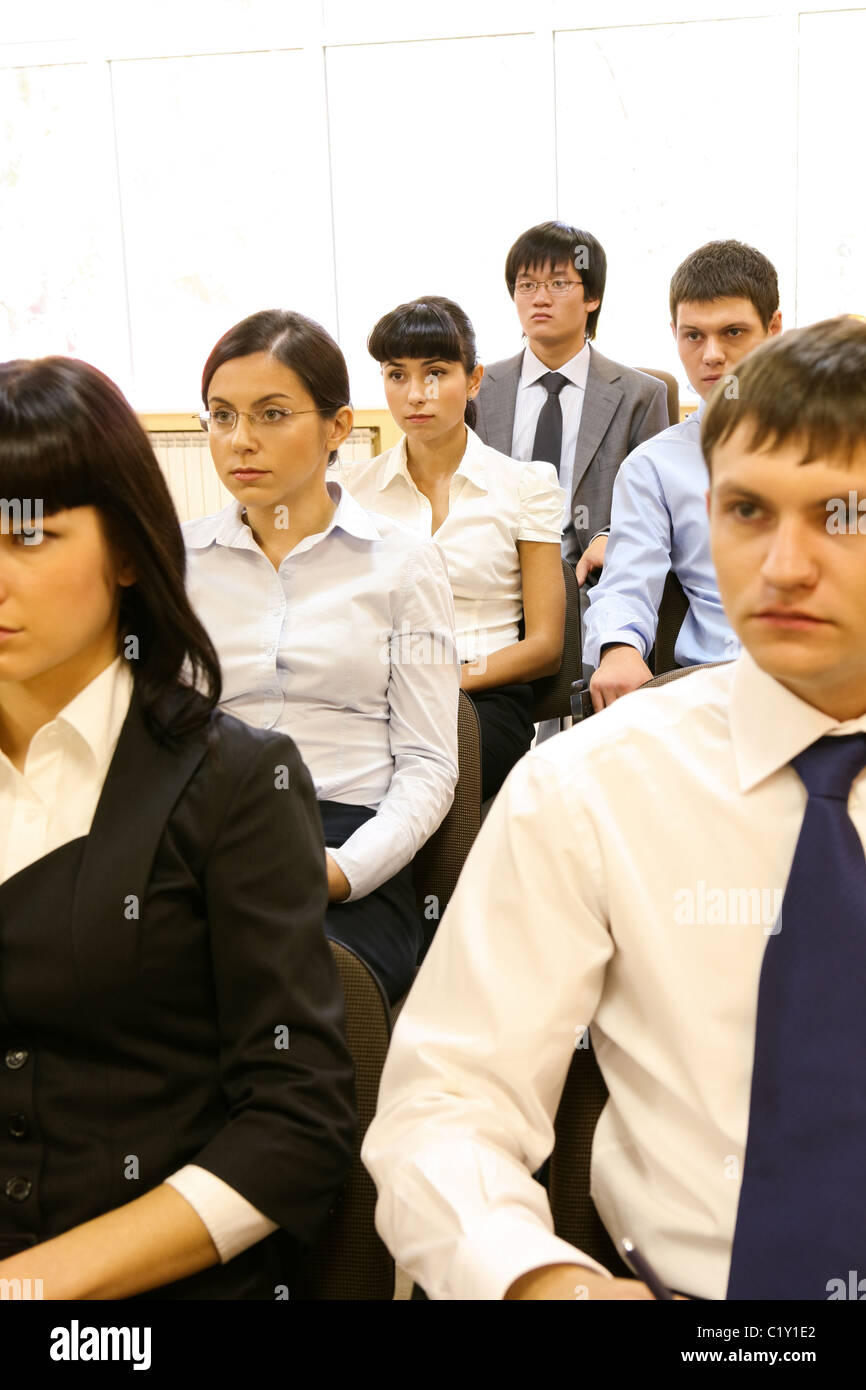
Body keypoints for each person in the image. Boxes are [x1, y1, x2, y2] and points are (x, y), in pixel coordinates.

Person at [362, 316, 866, 1301]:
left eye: (841, 515)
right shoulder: (588, 789)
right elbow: (446, 1104)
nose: (783, 565)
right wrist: (542, 1282)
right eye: (747, 511)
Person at [0, 356, 355, 1300]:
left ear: (126, 551)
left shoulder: (235, 780)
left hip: (140, 1286)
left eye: (28, 535)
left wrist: (35, 1288)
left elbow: (296, 1121)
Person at [183, 310, 459, 1004]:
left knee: (290, 976)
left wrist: (340, 871)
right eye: (221, 416)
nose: (240, 440)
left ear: (338, 427)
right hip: (207, 836)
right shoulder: (177, 561)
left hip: (342, 832)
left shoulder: (403, 565)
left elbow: (428, 763)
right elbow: (160, 738)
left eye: (271, 414)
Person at [333, 295, 565, 801]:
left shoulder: (526, 485)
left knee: (420, 773)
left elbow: (545, 647)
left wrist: (449, 679)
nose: (416, 394)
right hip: (377, 690)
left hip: (481, 696)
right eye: (397, 375)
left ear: (474, 379)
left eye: (435, 372)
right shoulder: (352, 489)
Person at [585, 240, 782, 708]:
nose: (711, 355)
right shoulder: (654, 466)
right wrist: (619, 650)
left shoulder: (837, 441)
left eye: (733, 332)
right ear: (674, 333)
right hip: (716, 687)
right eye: (693, 335)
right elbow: (627, 582)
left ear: (773, 329)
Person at [472, 220, 669, 588]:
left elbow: (654, 507)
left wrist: (609, 538)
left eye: (559, 284)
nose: (540, 298)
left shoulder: (640, 396)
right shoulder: (478, 391)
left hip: (592, 583)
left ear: (592, 297)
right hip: (491, 581)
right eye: (526, 285)